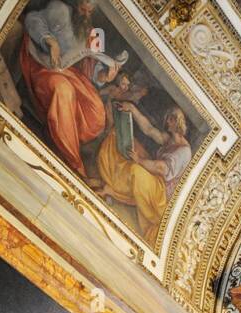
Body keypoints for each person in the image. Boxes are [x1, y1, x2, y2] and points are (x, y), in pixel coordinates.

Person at [17, 0, 122, 179]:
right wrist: (50, 41)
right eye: (83, 9)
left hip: (71, 74)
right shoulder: (59, 9)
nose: (86, 15)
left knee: (96, 111)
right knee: (63, 90)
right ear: (76, 4)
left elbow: (92, 66)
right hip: (45, 68)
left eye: (90, 12)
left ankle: (65, 132)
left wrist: (104, 76)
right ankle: (74, 163)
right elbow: (32, 19)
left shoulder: (89, 32)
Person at [96, 102, 191, 244]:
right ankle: (112, 178)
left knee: (135, 169)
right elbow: (149, 129)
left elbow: (162, 168)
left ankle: (116, 190)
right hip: (155, 177)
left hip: (160, 193)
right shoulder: (170, 139)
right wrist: (132, 109)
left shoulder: (184, 151)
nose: (167, 122)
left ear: (176, 121)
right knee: (125, 141)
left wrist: (139, 160)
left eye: (170, 119)